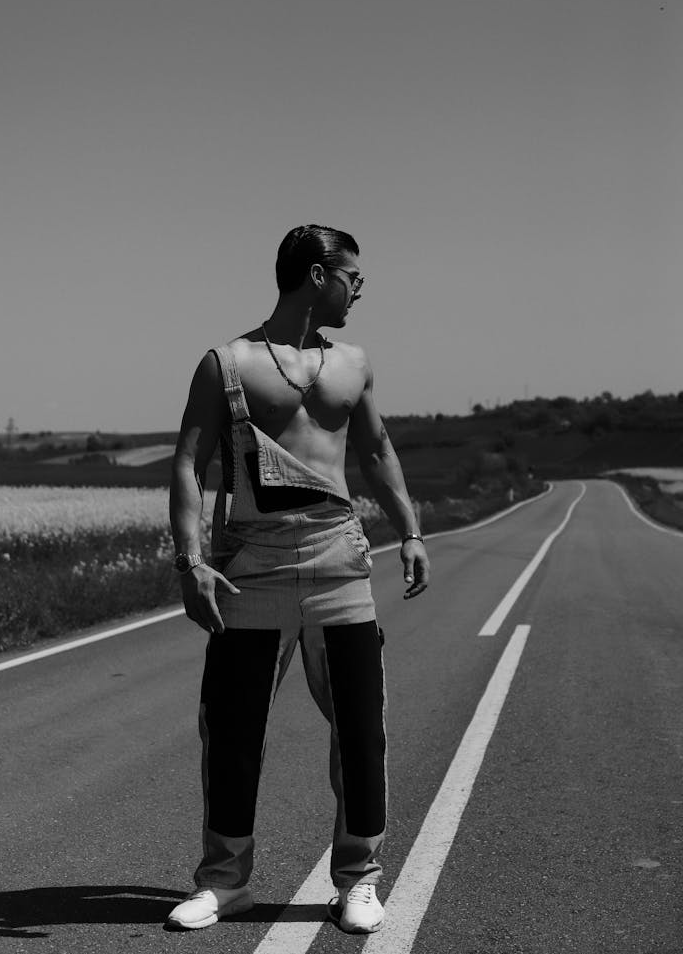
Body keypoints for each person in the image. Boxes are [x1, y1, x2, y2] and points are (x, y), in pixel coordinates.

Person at [166, 224, 430, 934]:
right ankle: (224, 882)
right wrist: (190, 562)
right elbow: (189, 462)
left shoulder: (355, 362)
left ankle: (360, 878)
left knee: (361, 729)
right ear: (318, 274)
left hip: (341, 562)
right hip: (252, 566)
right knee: (232, 728)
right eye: (353, 277)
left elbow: (376, 450)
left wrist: (409, 531)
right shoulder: (229, 362)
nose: (360, 289)